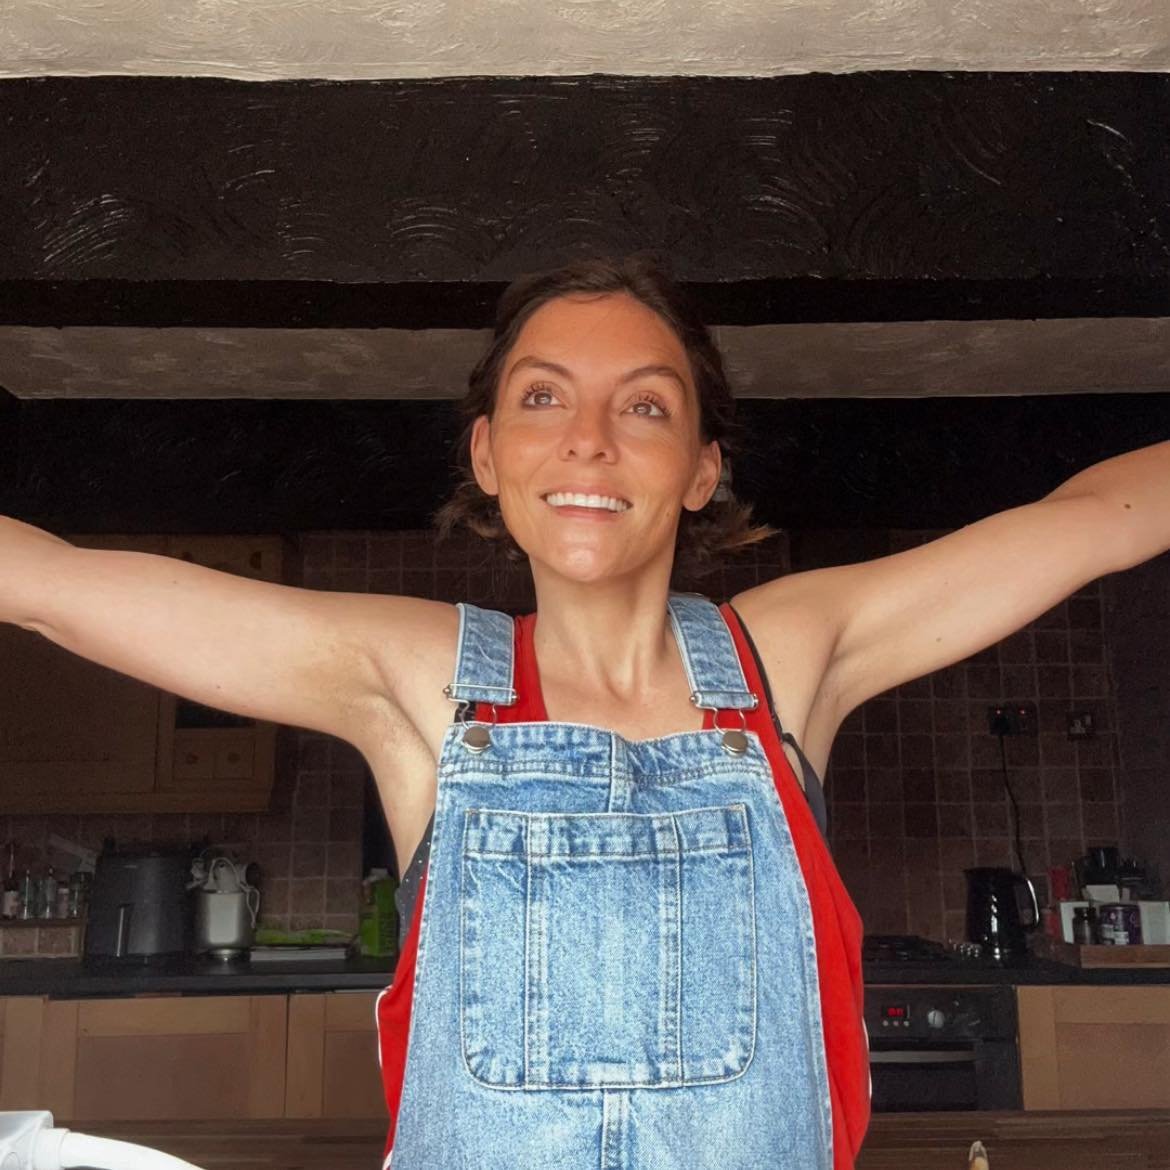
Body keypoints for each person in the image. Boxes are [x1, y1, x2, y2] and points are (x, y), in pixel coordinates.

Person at [0, 255, 1167, 1170]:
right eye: (543, 396)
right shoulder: (415, 680)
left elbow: (1103, 516)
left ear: (704, 469)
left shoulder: (788, 657)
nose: (589, 439)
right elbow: (49, 585)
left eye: (646, 408)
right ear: (491, 452)